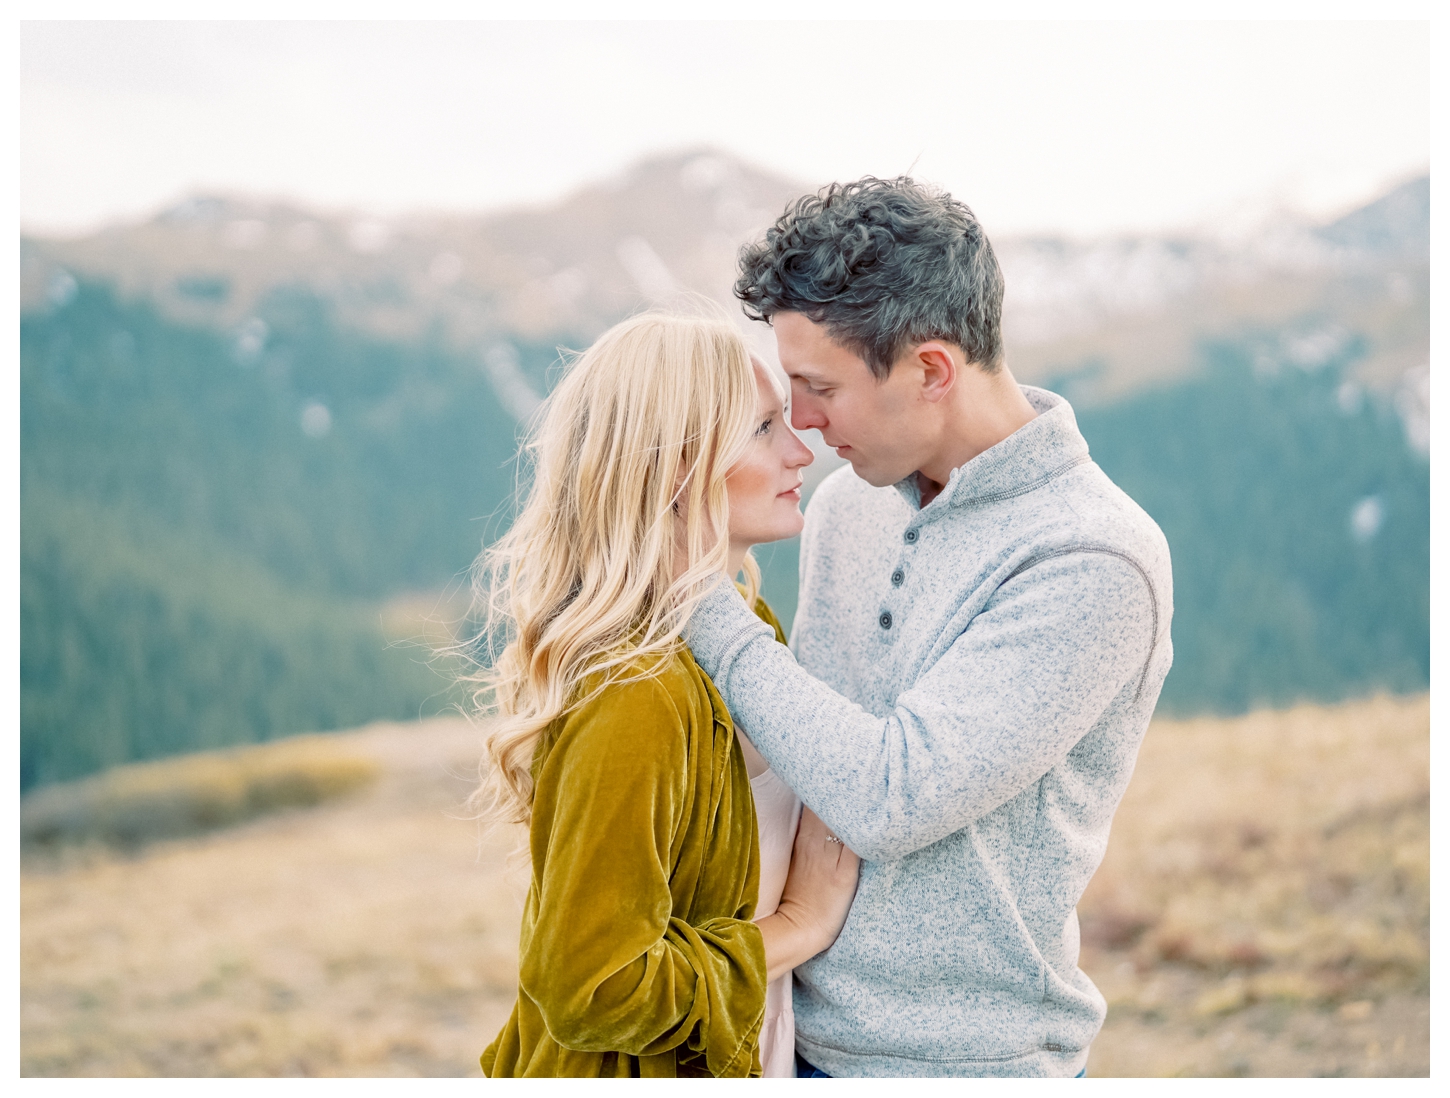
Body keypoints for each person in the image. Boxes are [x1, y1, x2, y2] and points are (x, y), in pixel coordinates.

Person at [682, 178, 1175, 1078]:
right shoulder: (843, 507)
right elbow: (800, 747)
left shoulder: (1093, 559)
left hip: (965, 1067)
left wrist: (695, 597)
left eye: (819, 386)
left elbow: (888, 797)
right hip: (783, 1028)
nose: (801, 423)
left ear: (932, 371)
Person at [466, 312, 860, 1078]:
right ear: (676, 468)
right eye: (762, 430)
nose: (800, 450)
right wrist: (798, 929)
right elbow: (591, 983)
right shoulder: (636, 689)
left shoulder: (745, 631)